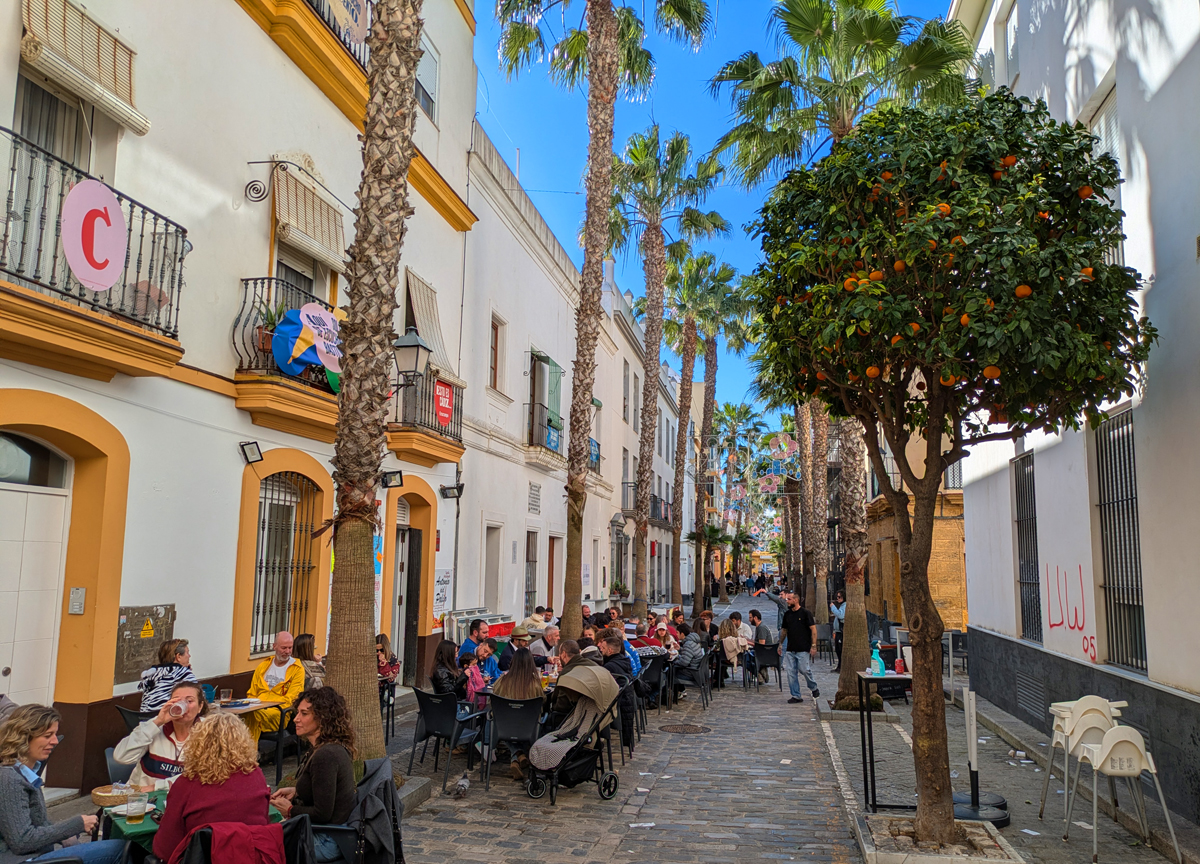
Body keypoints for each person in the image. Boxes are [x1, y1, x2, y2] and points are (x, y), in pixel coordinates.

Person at [0, 704, 126, 863]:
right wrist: (75, 825)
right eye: (47, 736)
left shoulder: (25, 772)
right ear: (24, 736)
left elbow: (35, 821)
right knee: (120, 849)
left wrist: (65, 836)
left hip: (37, 854)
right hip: (22, 860)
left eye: (55, 734)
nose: (55, 741)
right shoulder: (10, 779)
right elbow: (22, 841)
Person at [152, 712, 271, 863]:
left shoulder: (186, 784)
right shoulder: (256, 776)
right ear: (244, 743)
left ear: (197, 745)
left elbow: (164, 850)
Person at [270, 688, 357, 863]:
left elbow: (323, 813)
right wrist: (296, 791)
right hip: (330, 833)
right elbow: (324, 789)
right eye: (297, 713)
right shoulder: (327, 747)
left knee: (260, 844)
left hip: (328, 840)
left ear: (322, 718)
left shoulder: (326, 755)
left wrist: (289, 809)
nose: (296, 719)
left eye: (304, 714)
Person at [113, 680, 210, 790]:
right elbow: (121, 757)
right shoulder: (154, 727)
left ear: (200, 707)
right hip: (142, 801)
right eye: (176, 700)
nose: (183, 705)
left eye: (189, 701)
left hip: (184, 801)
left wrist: (156, 787)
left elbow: (202, 777)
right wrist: (157, 722)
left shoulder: (208, 732)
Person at [243, 631, 305, 744]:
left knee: (253, 716)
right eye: (284, 648)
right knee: (239, 715)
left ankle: (249, 756)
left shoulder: (297, 669)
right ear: (274, 646)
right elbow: (252, 693)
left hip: (279, 712)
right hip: (257, 708)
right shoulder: (263, 666)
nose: (287, 651)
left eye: (290, 648)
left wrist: (265, 703)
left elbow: (292, 699)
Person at [492, 648, 543, 780]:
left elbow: (492, 701)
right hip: (528, 727)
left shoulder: (502, 681)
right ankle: (519, 754)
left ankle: (516, 756)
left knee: (498, 720)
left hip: (505, 727)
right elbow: (541, 703)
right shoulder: (535, 684)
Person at [544, 640, 600, 728]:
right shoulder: (594, 666)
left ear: (563, 654)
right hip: (594, 717)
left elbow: (559, 704)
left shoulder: (567, 672)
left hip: (568, 719)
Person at [780, 591, 820, 704]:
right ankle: (796, 695)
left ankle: (813, 687)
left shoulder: (805, 613)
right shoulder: (787, 614)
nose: (787, 601)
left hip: (803, 647)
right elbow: (784, 630)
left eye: (789, 599)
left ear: (795, 600)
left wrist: (813, 645)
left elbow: (813, 629)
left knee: (804, 669)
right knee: (790, 673)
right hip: (790, 648)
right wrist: (780, 644)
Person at [138, 638, 198, 712]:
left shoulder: (153, 673)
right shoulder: (183, 673)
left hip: (146, 720)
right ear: (178, 656)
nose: (189, 656)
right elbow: (198, 698)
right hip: (166, 718)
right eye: (187, 653)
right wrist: (186, 672)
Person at [597, 635, 635, 747]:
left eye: (602, 648)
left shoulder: (610, 666)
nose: (600, 650)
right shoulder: (624, 661)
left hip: (617, 705)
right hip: (626, 701)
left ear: (610, 651)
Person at [830, 590, 847, 672]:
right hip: (838, 631)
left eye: (839, 597)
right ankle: (839, 666)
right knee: (837, 649)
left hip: (841, 632)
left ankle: (841, 667)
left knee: (840, 650)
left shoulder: (844, 605)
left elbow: (841, 615)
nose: (838, 599)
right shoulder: (841, 605)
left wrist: (833, 607)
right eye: (837, 597)